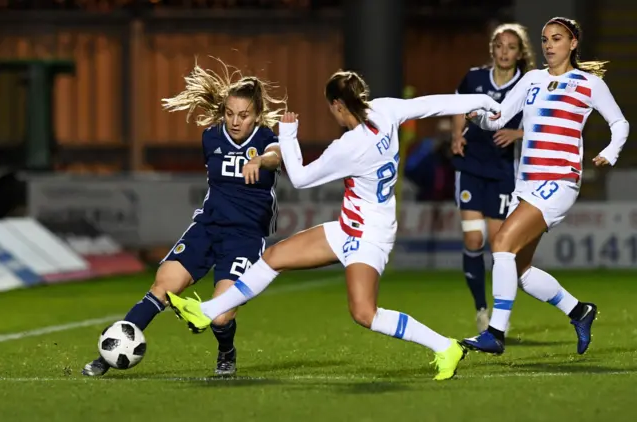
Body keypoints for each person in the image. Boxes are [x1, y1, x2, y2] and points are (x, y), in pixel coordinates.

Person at [166, 70, 501, 381]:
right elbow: (432, 105)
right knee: (273, 258)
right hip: (348, 226)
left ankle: (446, 346)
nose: (333, 114)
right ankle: (206, 311)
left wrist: (289, 135)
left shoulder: (350, 147)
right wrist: (483, 101)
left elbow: (299, 178)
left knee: (365, 314)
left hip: (369, 236)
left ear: (339, 105)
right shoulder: (384, 110)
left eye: (332, 108)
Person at [82, 59, 286, 376]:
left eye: (243, 115)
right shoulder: (211, 139)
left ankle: (226, 352)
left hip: (243, 238)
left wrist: (261, 160)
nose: (235, 121)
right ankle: (110, 356)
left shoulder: (265, 140)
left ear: (256, 116)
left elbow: (277, 156)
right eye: (230, 113)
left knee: (220, 317)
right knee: (163, 285)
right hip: (206, 228)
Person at [462, 17, 629, 355]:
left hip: (560, 180)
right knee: (519, 270)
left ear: (573, 43)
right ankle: (580, 311)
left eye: (557, 39)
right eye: (545, 39)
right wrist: (477, 117)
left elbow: (619, 122)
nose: (549, 45)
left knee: (502, 243)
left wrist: (611, 151)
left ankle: (495, 333)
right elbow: (500, 116)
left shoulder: (588, 83)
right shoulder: (532, 80)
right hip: (527, 184)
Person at [451, 23, 536, 332]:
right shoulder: (474, 78)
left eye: (511, 47)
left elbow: (542, 125)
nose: (504, 52)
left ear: (519, 53)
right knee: (474, 239)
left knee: (500, 246)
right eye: (500, 46)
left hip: (503, 172)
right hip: (471, 166)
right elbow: (459, 106)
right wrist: (456, 135)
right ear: (492, 49)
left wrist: (517, 133)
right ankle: (481, 309)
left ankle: (501, 313)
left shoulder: (528, 86)